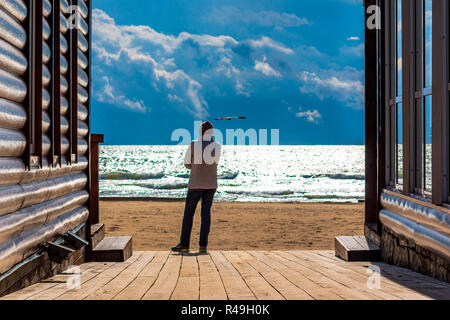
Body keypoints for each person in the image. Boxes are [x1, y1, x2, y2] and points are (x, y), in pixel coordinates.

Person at [172, 121, 221, 253]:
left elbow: (187, 164)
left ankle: (185, 244)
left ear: (201, 131)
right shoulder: (217, 146)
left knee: (189, 214)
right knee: (206, 215)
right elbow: (215, 163)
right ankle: (203, 246)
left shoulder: (194, 144)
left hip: (195, 184)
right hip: (211, 185)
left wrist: (196, 166)